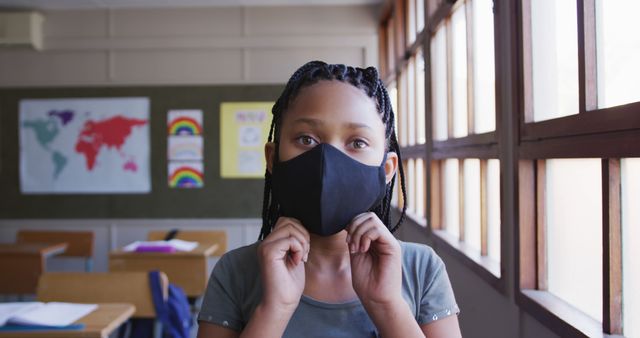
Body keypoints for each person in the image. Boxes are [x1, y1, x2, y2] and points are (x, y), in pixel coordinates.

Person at [197, 61, 461, 338]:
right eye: (306, 139)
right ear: (273, 159)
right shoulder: (236, 272)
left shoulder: (421, 269)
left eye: (357, 142)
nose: (328, 161)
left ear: (386, 170)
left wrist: (387, 305)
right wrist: (275, 308)